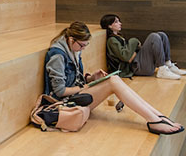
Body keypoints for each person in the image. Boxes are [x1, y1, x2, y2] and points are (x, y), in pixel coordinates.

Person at [44, 21, 184, 135]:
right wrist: (84, 87)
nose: (83, 49)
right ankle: (153, 120)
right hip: (64, 102)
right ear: (70, 39)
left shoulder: (73, 49)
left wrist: (92, 78)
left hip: (77, 95)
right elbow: (60, 91)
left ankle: (157, 116)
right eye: (82, 45)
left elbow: (74, 78)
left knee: (114, 79)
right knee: (114, 81)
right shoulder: (57, 55)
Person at [100, 14, 186, 80]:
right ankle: (162, 69)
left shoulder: (118, 37)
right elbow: (125, 57)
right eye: (116, 22)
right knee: (153, 36)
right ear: (109, 26)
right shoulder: (112, 40)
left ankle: (168, 65)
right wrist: (133, 41)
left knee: (161, 35)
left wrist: (133, 52)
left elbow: (129, 54)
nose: (120, 23)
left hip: (137, 62)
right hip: (135, 67)